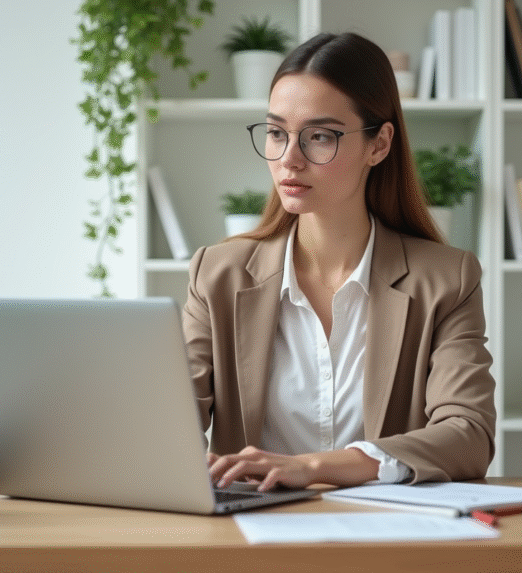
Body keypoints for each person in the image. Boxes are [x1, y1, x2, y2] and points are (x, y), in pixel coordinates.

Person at [183, 32, 495, 492]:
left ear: (379, 144)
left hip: (387, 543)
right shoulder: (217, 274)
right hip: (251, 541)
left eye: (319, 137)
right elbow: (168, 422)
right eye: (276, 133)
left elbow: (468, 435)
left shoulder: (447, 279)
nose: (289, 159)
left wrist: (312, 468)